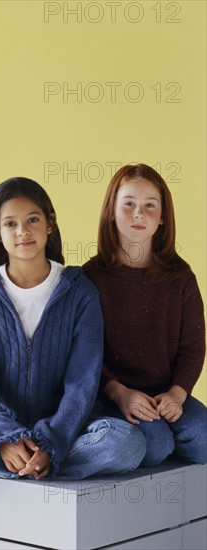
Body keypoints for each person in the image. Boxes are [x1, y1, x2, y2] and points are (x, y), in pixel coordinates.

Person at [0, 176, 145, 481]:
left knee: (127, 445)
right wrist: (5, 437)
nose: (22, 232)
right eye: (10, 224)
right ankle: (26, 463)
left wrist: (52, 441)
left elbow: (82, 383)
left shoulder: (80, 292)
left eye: (32, 219)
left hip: (63, 428)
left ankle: (9, 462)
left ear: (49, 224)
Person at [82, 163, 207, 467]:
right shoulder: (91, 277)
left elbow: (193, 347)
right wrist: (119, 393)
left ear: (163, 217)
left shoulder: (181, 277)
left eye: (150, 205)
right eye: (129, 204)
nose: (139, 213)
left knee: (203, 440)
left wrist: (177, 395)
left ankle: (168, 437)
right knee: (154, 445)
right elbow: (85, 353)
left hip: (167, 393)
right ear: (111, 211)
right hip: (114, 395)